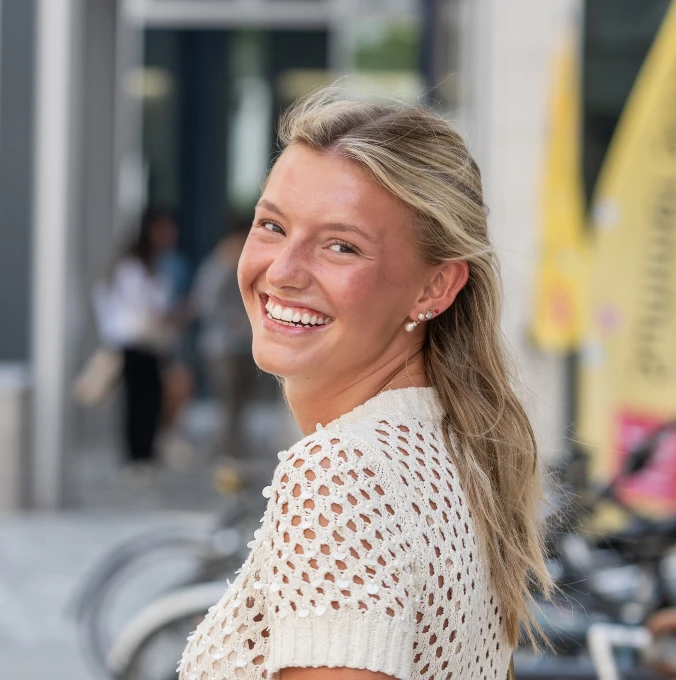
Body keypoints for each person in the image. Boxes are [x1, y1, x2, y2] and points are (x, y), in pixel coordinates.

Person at [179, 89, 552, 680]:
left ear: (434, 288)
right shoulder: (450, 447)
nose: (282, 270)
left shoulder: (341, 476)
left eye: (341, 246)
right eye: (272, 225)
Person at [93, 208, 178, 476]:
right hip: (133, 342)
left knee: (151, 399)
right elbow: (138, 306)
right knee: (137, 401)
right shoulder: (132, 265)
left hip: (151, 343)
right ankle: (136, 455)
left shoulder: (154, 263)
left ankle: (146, 453)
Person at [192, 219, 254, 461]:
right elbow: (206, 305)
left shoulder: (238, 266)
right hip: (220, 346)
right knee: (228, 401)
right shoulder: (216, 267)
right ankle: (227, 450)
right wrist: (237, 321)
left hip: (241, 345)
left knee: (240, 400)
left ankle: (236, 447)